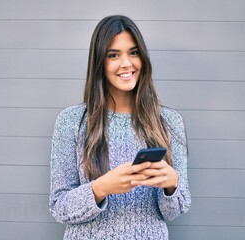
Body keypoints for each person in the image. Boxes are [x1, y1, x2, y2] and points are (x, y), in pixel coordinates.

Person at [49, 15, 191, 240]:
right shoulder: (72, 121)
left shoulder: (168, 122)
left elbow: (175, 211)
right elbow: (59, 207)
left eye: (133, 52)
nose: (127, 63)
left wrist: (172, 184)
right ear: (99, 63)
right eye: (113, 55)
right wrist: (101, 188)